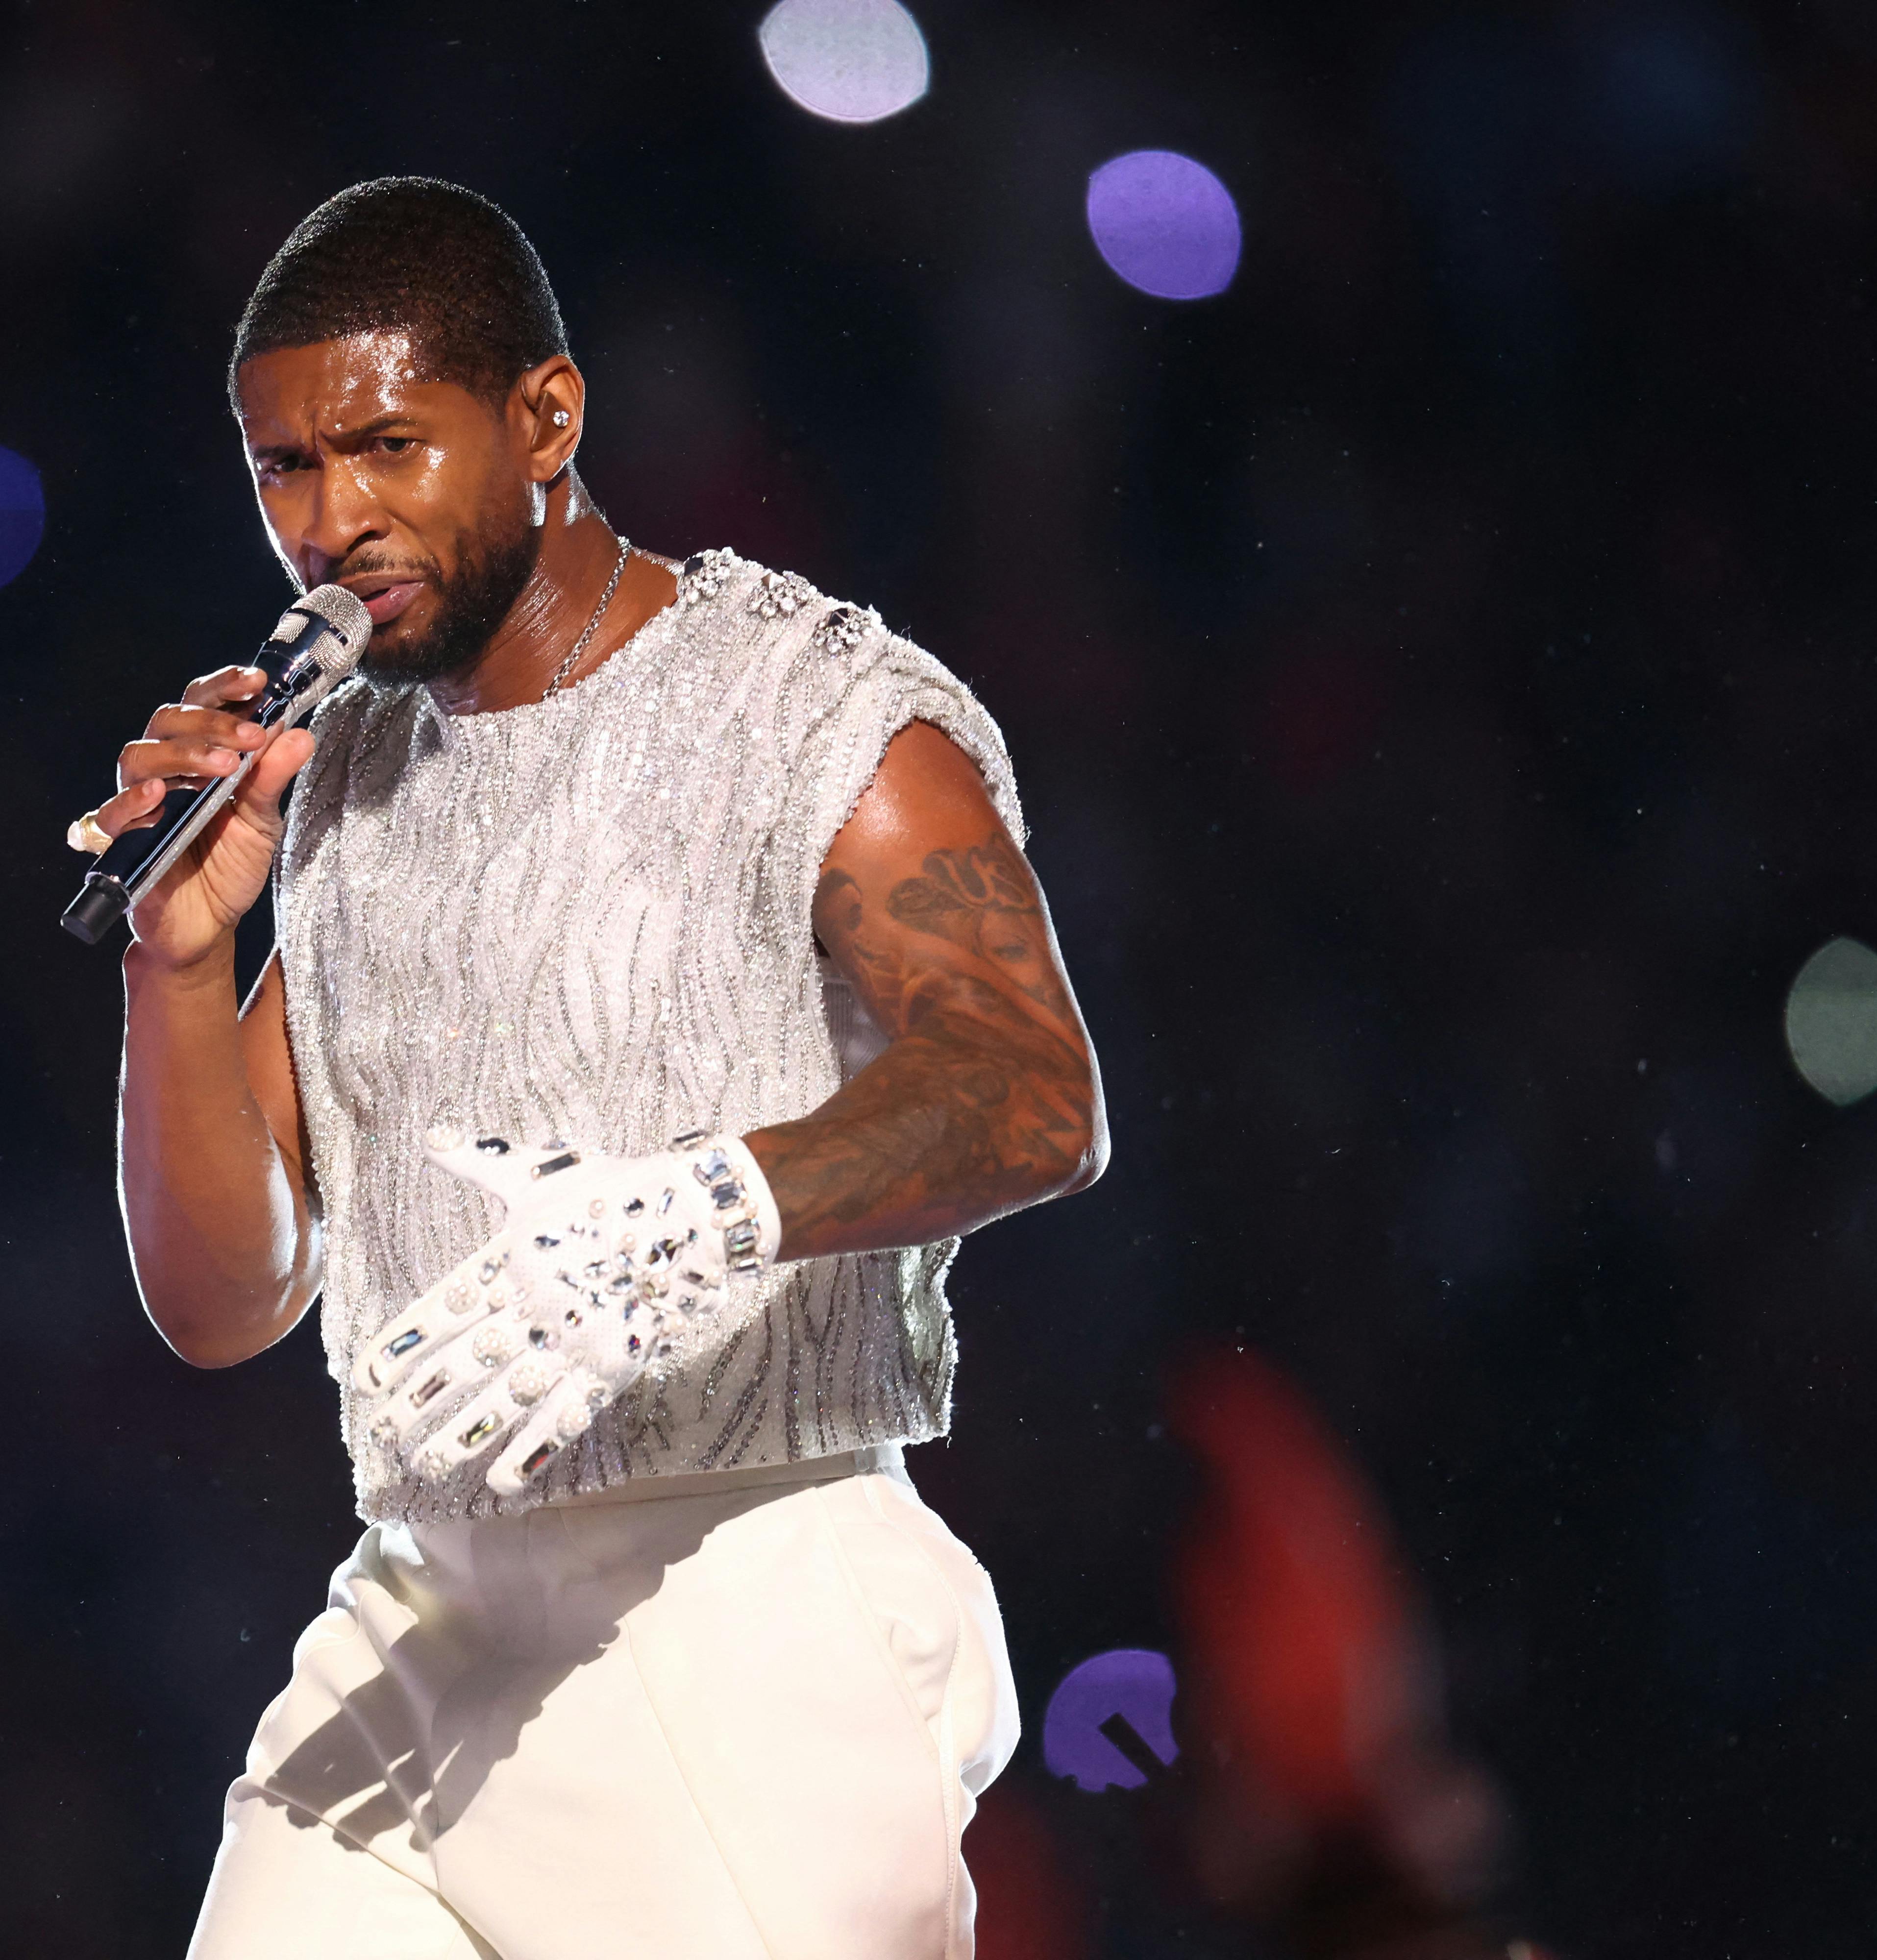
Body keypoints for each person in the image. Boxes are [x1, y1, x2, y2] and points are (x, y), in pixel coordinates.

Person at [72, 177, 1108, 1960]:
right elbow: (226, 1300)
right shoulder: (340, 779)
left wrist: (703, 1213)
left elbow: (1036, 1088)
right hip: (422, 1615)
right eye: (284, 471)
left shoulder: (809, 711)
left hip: (738, 1598)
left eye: (387, 446)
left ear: (547, 415)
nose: (332, 520)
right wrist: (181, 959)